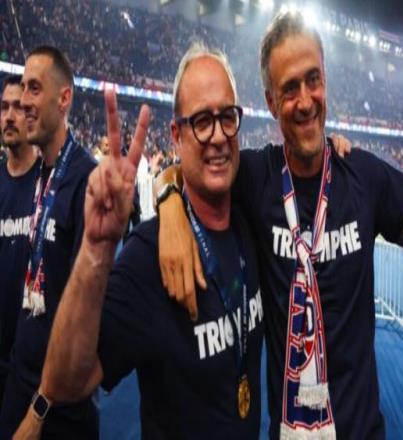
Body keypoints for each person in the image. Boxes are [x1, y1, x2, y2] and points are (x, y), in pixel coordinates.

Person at [156, 11, 403, 439]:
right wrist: (169, 205)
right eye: (289, 88)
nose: (305, 100)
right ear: (271, 102)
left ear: (325, 80)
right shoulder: (254, 177)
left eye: (313, 80)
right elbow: (184, 169)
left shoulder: (363, 175)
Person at [14, 44, 265, 439]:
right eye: (202, 121)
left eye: (227, 117)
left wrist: (167, 189)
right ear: (176, 135)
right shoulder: (147, 256)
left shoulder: (253, 213)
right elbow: (66, 383)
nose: (218, 136)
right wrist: (96, 248)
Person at [0, 46, 98, 439]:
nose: (23, 100)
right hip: (19, 380)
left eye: (34, 88)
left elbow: (82, 320)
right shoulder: (39, 174)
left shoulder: (86, 181)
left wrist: (40, 407)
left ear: (64, 98)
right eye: (23, 87)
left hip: (57, 406)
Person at [0, 75, 39, 407]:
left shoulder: (52, 183)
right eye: (3, 108)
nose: (9, 116)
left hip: (32, 369)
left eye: (18, 107)